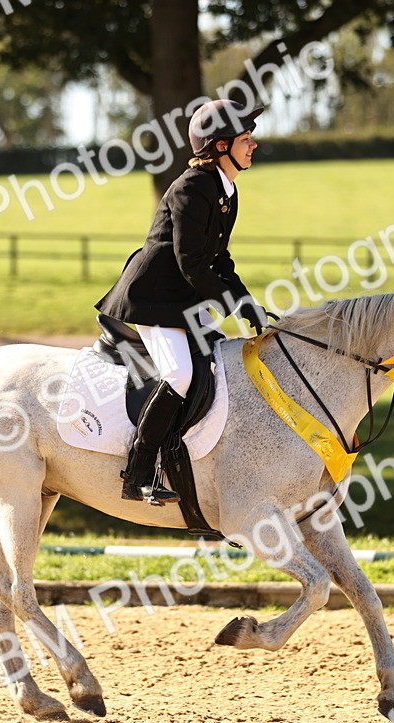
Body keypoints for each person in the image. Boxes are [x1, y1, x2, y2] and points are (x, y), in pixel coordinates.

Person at [95, 98, 269, 505]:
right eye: (246, 138)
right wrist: (229, 302)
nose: (253, 145)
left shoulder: (225, 191)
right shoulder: (192, 188)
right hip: (152, 299)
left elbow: (219, 259)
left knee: (219, 363)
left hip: (180, 301)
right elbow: (191, 262)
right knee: (179, 376)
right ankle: (137, 473)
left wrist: (244, 303)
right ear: (221, 146)